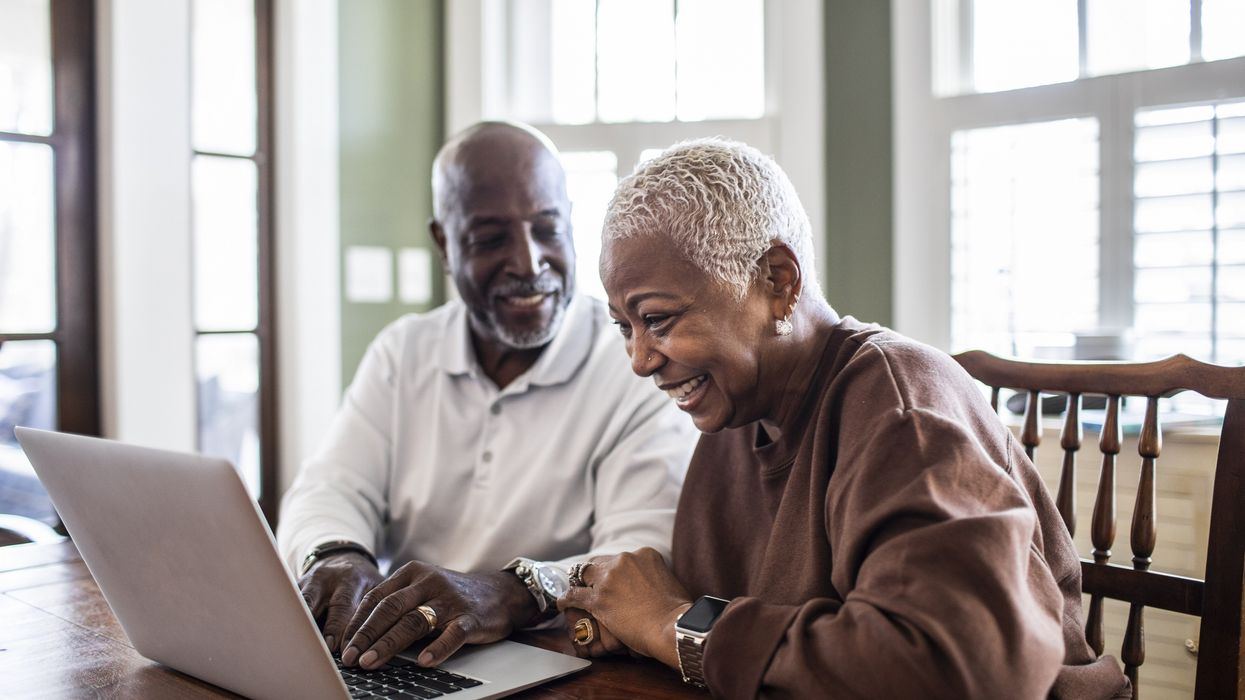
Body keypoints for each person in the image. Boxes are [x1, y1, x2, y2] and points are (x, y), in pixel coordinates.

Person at [557, 138, 1131, 699]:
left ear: (778, 281)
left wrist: (673, 626)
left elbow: (960, 668)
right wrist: (639, 625)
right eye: (623, 326)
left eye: (657, 319)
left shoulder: (900, 406)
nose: (640, 360)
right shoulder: (736, 414)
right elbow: (729, 625)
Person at [277, 122, 695, 672]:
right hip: (398, 658)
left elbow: (642, 557)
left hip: (555, 663)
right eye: (491, 239)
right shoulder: (403, 353)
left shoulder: (636, 363)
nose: (528, 263)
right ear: (444, 245)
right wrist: (337, 553)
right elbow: (328, 489)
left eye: (547, 229)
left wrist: (515, 591)